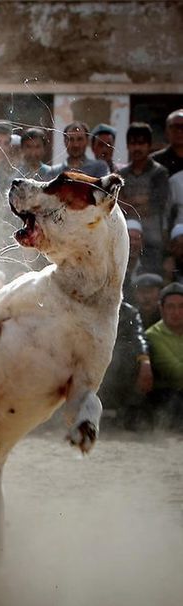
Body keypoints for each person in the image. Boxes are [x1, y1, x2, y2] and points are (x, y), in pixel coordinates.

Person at [119, 122, 169, 272]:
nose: (137, 148)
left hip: (152, 239)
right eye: (133, 143)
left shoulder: (159, 173)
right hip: (127, 240)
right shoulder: (122, 174)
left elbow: (157, 204)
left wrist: (131, 203)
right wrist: (142, 199)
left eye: (141, 143)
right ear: (128, 146)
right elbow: (120, 205)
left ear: (149, 145)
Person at [98, 300, 153, 426]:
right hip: (89, 361)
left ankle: (130, 411)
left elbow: (139, 337)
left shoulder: (129, 312)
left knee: (126, 353)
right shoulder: (83, 307)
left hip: (119, 368)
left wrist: (145, 362)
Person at [144, 282, 183, 429]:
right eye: (171, 307)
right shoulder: (153, 335)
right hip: (168, 398)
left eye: (181, 306)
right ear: (161, 308)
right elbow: (177, 373)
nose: (176, 312)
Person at [151, 109, 183, 177]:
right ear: (166, 132)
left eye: (182, 127)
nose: (179, 131)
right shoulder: (154, 162)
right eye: (175, 127)